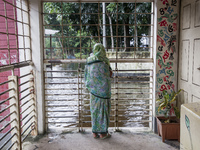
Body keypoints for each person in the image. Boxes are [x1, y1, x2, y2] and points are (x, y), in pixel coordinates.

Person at [84, 43, 112, 139]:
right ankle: (103, 133)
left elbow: (86, 75)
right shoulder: (105, 61)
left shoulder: (89, 61)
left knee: (95, 111)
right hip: (104, 91)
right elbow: (110, 74)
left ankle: (95, 132)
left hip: (93, 91)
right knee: (103, 111)